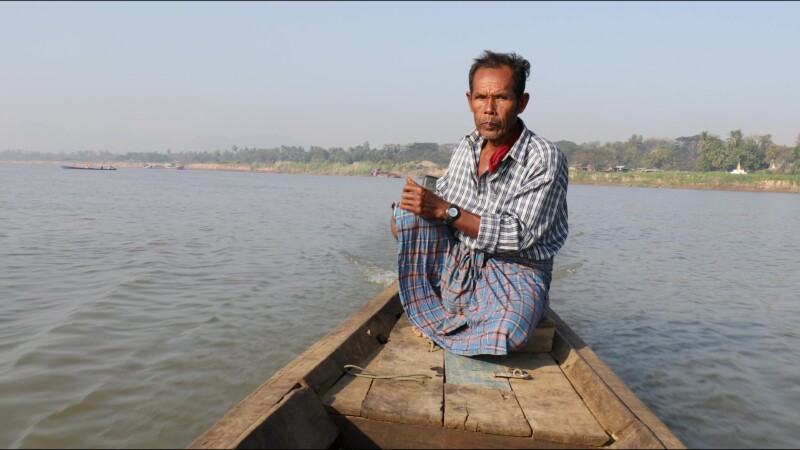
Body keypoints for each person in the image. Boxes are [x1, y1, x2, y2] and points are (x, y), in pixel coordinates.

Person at [390, 50, 569, 356]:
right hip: (462, 261)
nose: (489, 109)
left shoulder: (544, 158)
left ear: (521, 102)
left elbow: (518, 235)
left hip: (515, 269)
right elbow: (440, 200)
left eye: (501, 98)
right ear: (469, 100)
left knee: (505, 334)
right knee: (410, 213)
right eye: (480, 98)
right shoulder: (467, 146)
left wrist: (444, 210)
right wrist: (409, 219)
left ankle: (464, 319)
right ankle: (463, 312)